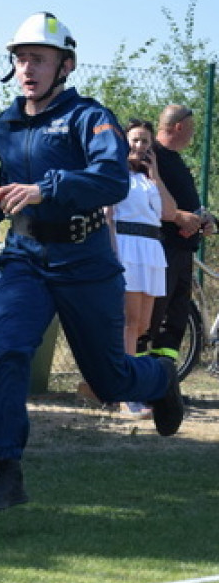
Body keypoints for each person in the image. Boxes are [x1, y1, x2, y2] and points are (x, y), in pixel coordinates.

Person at [0, 12, 184, 514]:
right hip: (25, 257)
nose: (28, 67)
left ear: (64, 65)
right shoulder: (6, 123)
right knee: (7, 352)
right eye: (22, 58)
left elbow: (110, 181)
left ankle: (159, 377)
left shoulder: (91, 117)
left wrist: (46, 189)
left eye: (39, 59)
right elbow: (6, 187)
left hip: (85, 260)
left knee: (107, 380)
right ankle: (8, 472)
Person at [109, 119, 176, 418]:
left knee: (143, 326)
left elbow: (168, 212)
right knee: (128, 321)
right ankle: (126, 396)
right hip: (126, 247)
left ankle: (121, 383)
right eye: (135, 140)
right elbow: (108, 216)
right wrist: (112, 252)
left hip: (150, 249)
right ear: (124, 143)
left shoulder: (148, 180)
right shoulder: (115, 175)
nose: (140, 147)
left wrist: (156, 175)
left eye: (145, 142)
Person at [143, 105, 216, 362]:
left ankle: (165, 383)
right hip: (162, 250)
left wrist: (205, 220)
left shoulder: (176, 160)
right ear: (179, 127)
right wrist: (178, 217)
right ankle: (140, 382)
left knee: (175, 321)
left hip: (183, 253)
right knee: (151, 318)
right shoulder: (153, 157)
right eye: (192, 128)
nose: (194, 134)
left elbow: (188, 204)